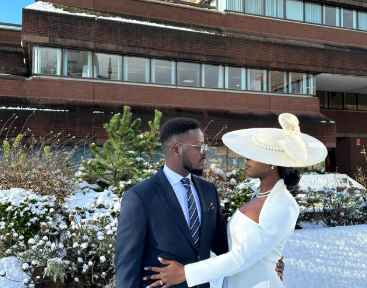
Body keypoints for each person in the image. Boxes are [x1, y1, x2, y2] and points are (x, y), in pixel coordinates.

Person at [143, 113, 328, 288]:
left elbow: (244, 256)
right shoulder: (258, 197)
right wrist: (268, 257)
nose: (246, 157)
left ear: (273, 161)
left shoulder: (283, 205)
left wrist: (187, 273)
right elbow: (234, 246)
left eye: (255, 154)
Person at [114, 118, 284, 288]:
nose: (205, 152)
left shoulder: (208, 191)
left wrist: (265, 262)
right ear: (176, 150)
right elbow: (127, 264)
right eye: (199, 147)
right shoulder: (140, 197)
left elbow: (223, 244)